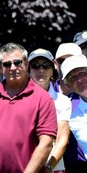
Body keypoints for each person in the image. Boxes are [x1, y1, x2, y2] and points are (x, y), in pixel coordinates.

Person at [0, 42, 57, 172]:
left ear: (26, 64)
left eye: (17, 62)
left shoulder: (43, 99)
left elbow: (46, 144)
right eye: (7, 64)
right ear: (1, 68)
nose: (13, 67)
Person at [53, 42, 87, 173]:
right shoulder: (47, 96)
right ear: (55, 64)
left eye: (71, 59)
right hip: (57, 168)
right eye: (61, 60)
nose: (66, 63)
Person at [28, 48, 72, 172]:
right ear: (28, 70)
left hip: (53, 168)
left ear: (53, 69)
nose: (41, 70)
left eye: (46, 66)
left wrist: (48, 168)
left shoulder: (63, 101)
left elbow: (62, 140)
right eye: (36, 66)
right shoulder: (19, 99)